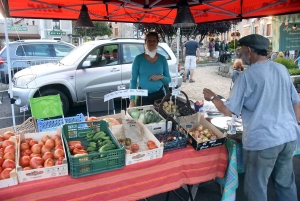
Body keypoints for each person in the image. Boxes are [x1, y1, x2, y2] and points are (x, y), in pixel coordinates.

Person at [203, 34, 299, 201]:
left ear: (249, 50)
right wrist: (294, 124)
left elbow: (229, 111)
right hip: (288, 137)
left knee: (256, 188)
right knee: (285, 184)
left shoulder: (247, 76)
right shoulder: (281, 69)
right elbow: (296, 102)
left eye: (241, 50)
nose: (239, 53)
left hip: (263, 140)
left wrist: (212, 97)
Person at [129, 32, 171, 107]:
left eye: (154, 41)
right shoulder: (138, 59)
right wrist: (131, 100)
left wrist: (161, 77)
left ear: (157, 43)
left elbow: (168, 80)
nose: (152, 43)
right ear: (145, 42)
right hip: (143, 97)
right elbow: (133, 80)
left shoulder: (162, 59)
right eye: (149, 40)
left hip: (159, 96)